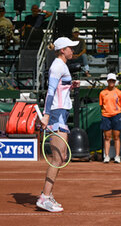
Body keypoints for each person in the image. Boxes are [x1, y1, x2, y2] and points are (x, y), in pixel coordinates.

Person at [36, 37, 80, 212]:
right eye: (70, 48)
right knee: (58, 158)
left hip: (61, 113)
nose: (73, 51)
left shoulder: (61, 65)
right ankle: (45, 197)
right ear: (63, 50)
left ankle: (47, 194)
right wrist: (46, 116)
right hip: (56, 114)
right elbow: (50, 92)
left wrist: (70, 86)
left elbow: (60, 88)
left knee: (60, 157)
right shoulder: (57, 66)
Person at [99, 73, 121, 164]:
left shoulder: (120, 93)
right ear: (107, 81)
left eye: (113, 81)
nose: (111, 82)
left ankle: (117, 156)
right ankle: (107, 156)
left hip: (116, 116)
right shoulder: (102, 93)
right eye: (110, 80)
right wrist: (106, 113)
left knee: (116, 137)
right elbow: (101, 106)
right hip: (106, 116)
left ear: (115, 82)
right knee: (107, 137)